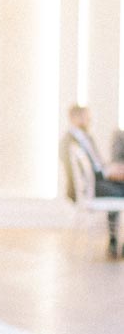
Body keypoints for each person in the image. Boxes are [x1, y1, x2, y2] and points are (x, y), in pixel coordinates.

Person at [60, 104, 124, 257]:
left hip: (95, 183)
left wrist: (109, 169)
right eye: (85, 117)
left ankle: (114, 241)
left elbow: (97, 165)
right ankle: (115, 241)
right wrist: (107, 173)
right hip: (88, 189)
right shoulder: (68, 142)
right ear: (73, 117)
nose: (88, 120)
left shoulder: (85, 137)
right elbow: (87, 174)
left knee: (120, 186)